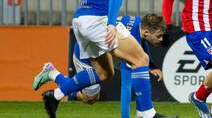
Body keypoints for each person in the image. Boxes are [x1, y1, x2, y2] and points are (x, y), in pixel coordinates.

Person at [32, 0, 173, 118]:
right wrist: (112, 24)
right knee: (141, 59)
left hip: (81, 19)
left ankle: (55, 95)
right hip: (98, 19)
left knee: (105, 73)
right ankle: (146, 113)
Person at [34, 14, 166, 117]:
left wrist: (152, 66)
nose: (161, 40)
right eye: (159, 36)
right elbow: (126, 85)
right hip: (86, 57)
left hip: (95, 53)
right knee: (89, 98)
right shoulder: (130, 40)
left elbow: (141, 45)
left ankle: (53, 75)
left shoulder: (137, 23)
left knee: (92, 97)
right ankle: (53, 75)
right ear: (147, 33)